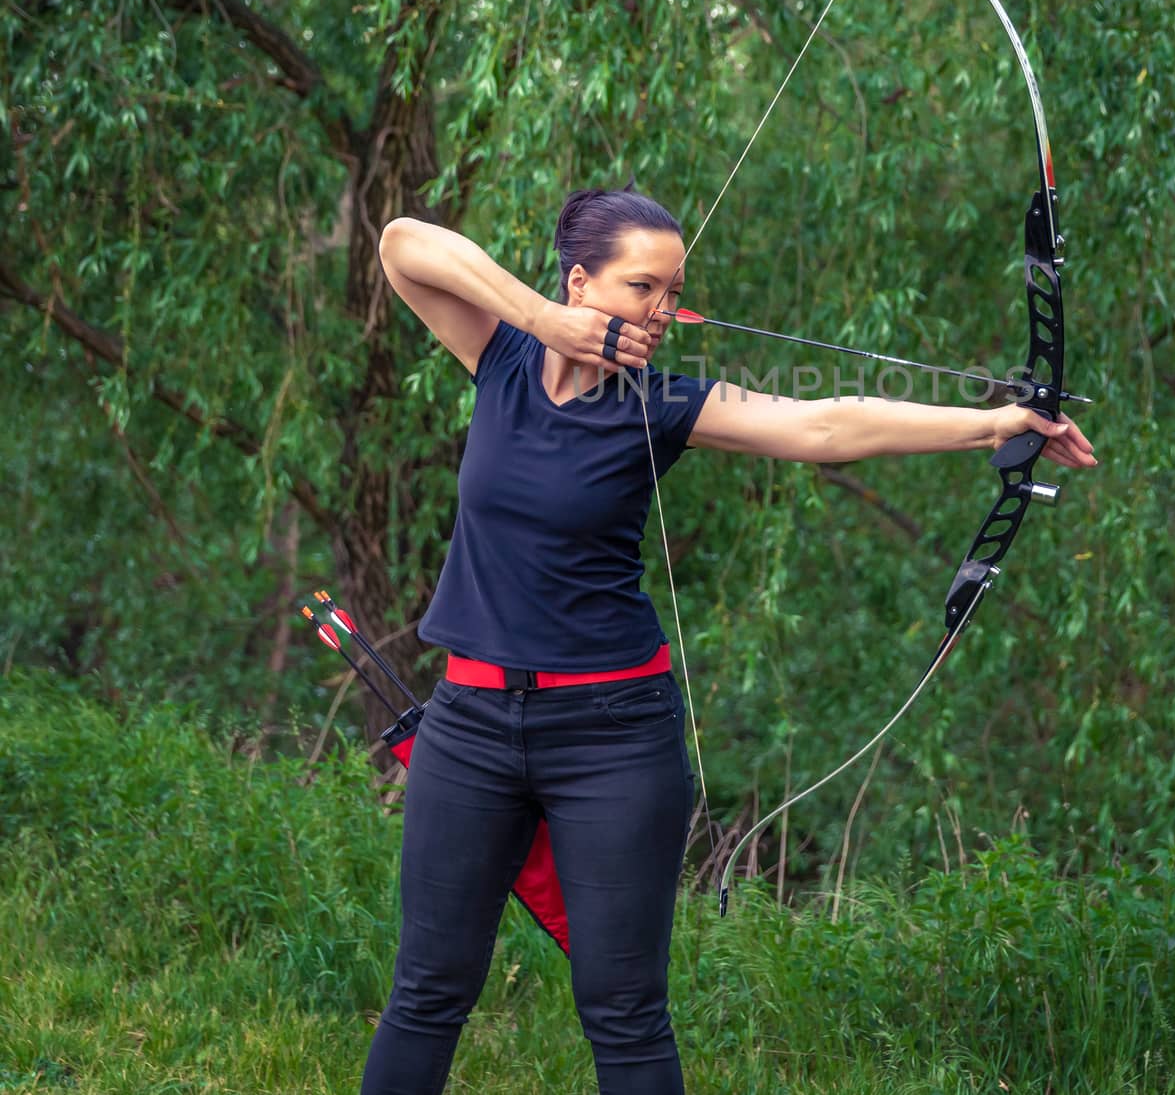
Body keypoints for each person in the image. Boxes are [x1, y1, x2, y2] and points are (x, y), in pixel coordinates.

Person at [362, 185, 1098, 1095]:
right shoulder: (501, 357)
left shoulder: (665, 403)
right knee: (427, 990)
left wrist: (996, 421)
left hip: (613, 731)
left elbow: (824, 422)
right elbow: (403, 243)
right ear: (581, 280)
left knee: (623, 1010)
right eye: (644, 288)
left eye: (675, 292)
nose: (664, 312)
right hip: (469, 722)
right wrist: (546, 321)